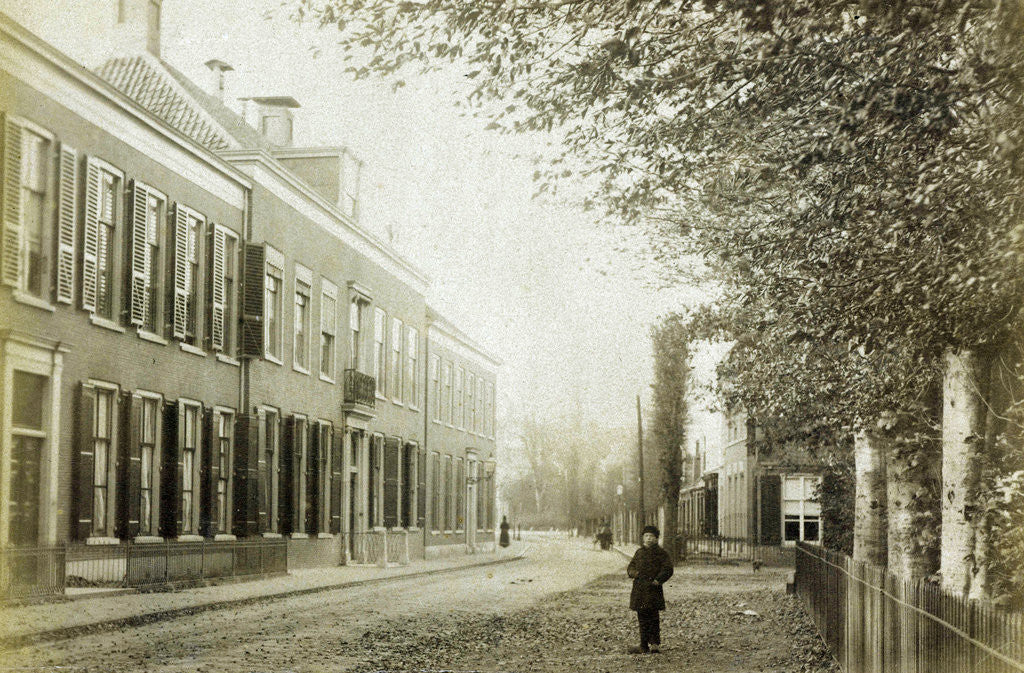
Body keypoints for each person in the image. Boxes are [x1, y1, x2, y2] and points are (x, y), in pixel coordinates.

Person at [626, 524, 674, 654]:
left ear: (656, 539)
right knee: (642, 617)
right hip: (640, 590)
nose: (649, 539)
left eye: (652, 536)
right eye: (646, 536)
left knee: (653, 617)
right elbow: (631, 567)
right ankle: (643, 644)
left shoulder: (661, 553)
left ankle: (654, 644)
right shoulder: (639, 552)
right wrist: (633, 573)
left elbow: (668, 569)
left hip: (653, 589)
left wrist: (658, 580)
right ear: (642, 538)